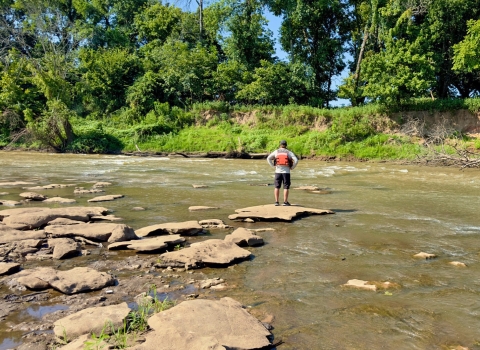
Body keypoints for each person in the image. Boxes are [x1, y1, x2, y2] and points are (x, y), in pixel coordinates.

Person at [267, 140, 299, 206]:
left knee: (276, 187)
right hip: (286, 172)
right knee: (286, 187)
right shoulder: (289, 152)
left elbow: (268, 158)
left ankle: (276, 202)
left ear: (280, 145)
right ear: (286, 145)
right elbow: (296, 160)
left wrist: (273, 166)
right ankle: (285, 202)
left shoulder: (276, 152)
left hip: (277, 172)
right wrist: (292, 167)